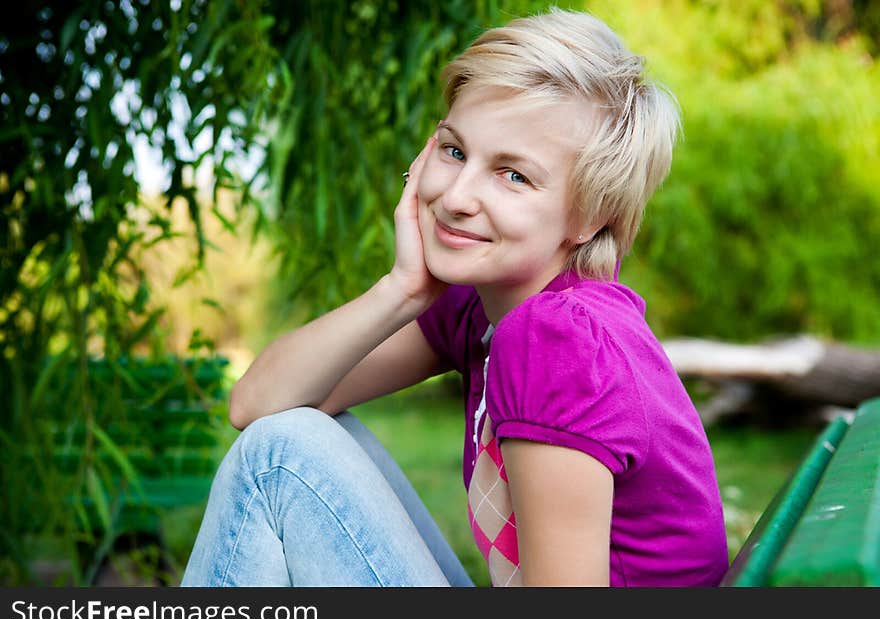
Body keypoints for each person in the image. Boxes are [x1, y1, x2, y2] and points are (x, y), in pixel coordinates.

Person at [181, 7, 730, 587]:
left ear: (590, 217)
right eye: (455, 151)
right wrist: (403, 289)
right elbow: (258, 404)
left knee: (279, 461)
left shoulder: (557, 338)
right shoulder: (485, 306)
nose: (457, 196)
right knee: (285, 440)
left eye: (513, 175)